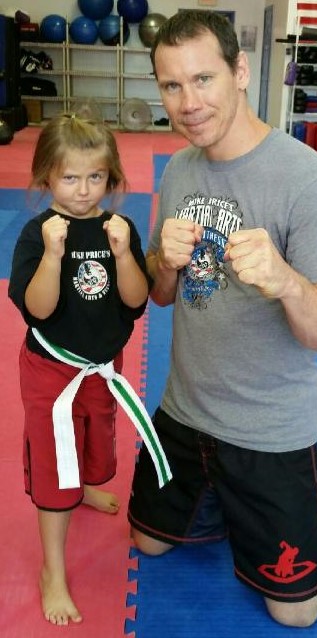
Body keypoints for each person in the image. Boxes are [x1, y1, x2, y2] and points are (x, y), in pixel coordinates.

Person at [127, 10, 317, 628]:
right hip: (184, 414)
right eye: (171, 85)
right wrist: (165, 265)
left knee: (297, 612)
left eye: (203, 79)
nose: (188, 103)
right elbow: (161, 297)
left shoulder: (309, 182)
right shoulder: (178, 169)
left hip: (269, 431)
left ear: (239, 70)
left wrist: (285, 280)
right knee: (146, 542)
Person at [8, 110, 156, 626]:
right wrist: (52, 256)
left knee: (97, 439)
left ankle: (85, 486)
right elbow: (39, 309)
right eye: (70, 177)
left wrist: (122, 255)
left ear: (111, 178)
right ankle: (53, 568)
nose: (84, 189)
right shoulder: (36, 233)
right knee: (54, 463)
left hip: (104, 367)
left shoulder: (120, 228)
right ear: (46, 175)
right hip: (52, 372)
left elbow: (137, 302)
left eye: (96, 177)